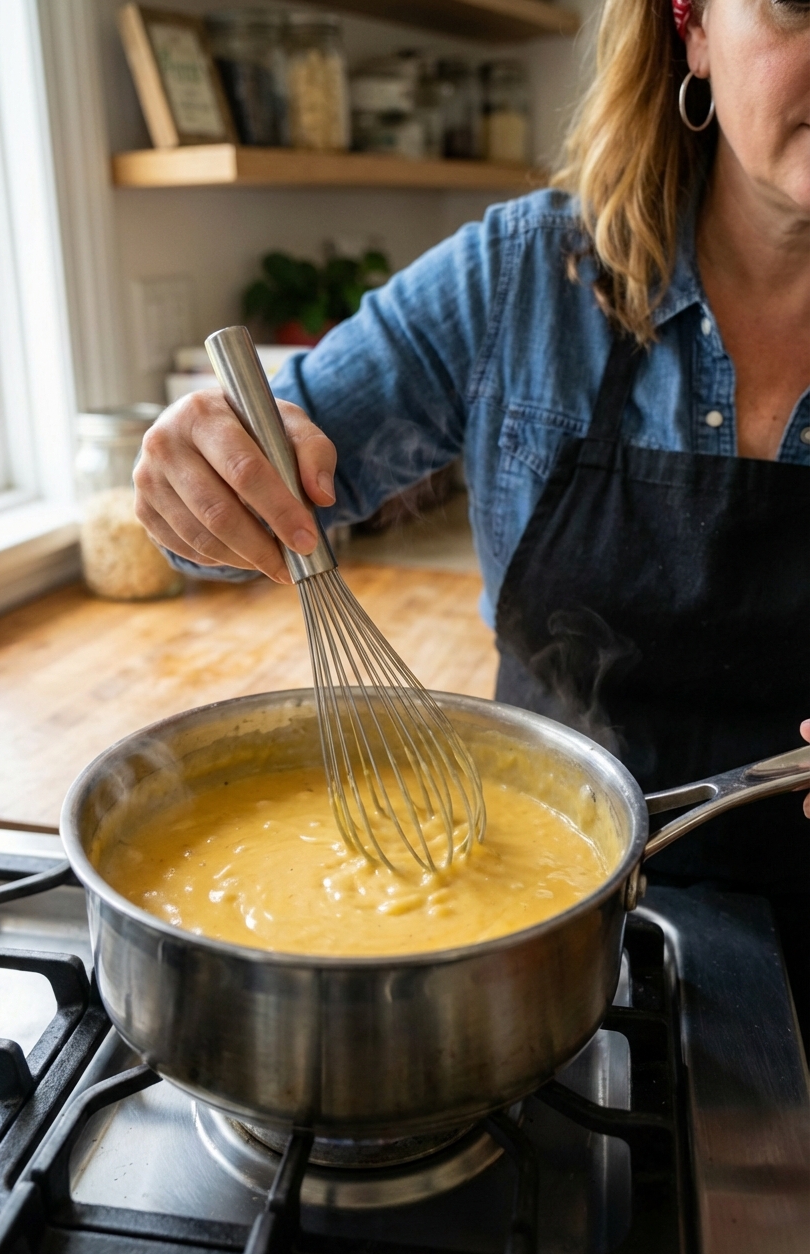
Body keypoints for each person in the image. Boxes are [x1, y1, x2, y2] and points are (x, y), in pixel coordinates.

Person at [134, 0, 810, 1038]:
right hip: (524, 942)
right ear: (691, 27)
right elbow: (250, 499)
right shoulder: (521, 280)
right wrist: (202, 478)